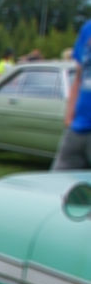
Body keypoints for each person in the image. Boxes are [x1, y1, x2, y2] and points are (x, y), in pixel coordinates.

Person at [51, 18, 91, 170]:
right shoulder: (87, 28)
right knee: (57, 188)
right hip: (77, 129)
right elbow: (79, 77)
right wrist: (69, 118)